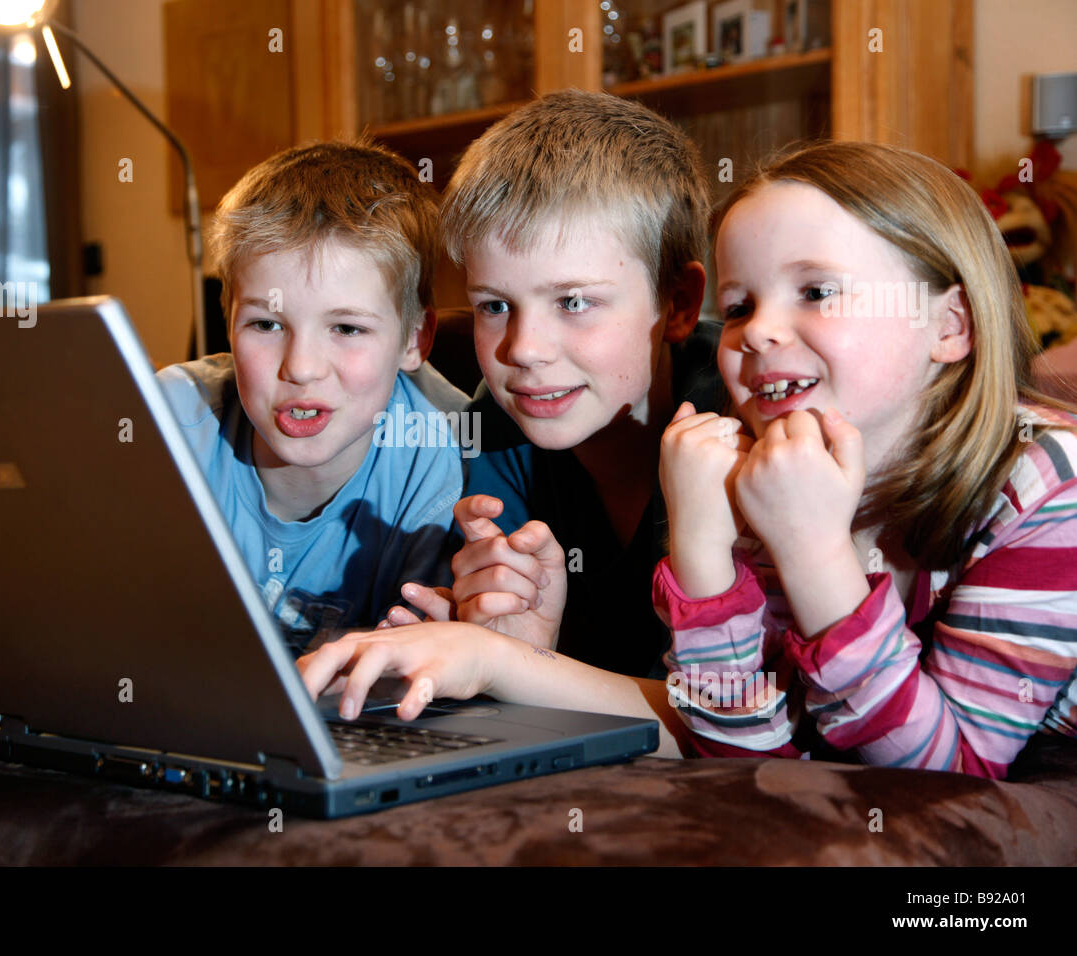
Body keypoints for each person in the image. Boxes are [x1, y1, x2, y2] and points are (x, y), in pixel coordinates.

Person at [300, 140, 1077, 778]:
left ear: (950, 325)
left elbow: (948, 780)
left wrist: (810, 553)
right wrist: (703, 556)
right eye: (742, 306)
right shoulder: (755, 472)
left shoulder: (1044, 488)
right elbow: (749, 756)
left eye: (817, 292)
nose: (760, 331)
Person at [383, 89, 723, 681]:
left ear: (679, 303)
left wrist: (510, 669)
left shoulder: (744, 418)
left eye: (573, 301)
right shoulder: (495, 428)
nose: (524, 349)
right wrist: (479, 638)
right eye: (494, 305)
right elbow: (514, 655)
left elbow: (737, 723)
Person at [156, 139, 468, 656]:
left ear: (414, 339)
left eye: (346, 328)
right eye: (266, 323)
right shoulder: (169, 423)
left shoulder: (441, 458)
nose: (301, 367)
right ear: (228, 323)